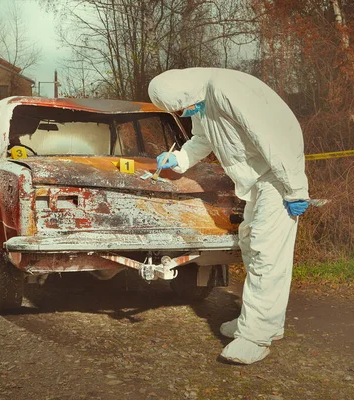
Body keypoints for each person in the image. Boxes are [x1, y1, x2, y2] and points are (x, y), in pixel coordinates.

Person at [148, 68, 310, 365]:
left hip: (278, 174)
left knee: (266, 250)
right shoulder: (201, 99)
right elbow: (203, 138)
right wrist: (180, 158)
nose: (183, 113)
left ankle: (255, 337)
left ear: (185, 93)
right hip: (258, 177)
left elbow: (271, 137)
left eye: (181, 107)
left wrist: (296, 188)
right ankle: (261, 321)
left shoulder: (226, 89)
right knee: (249, 243)